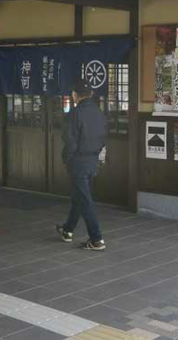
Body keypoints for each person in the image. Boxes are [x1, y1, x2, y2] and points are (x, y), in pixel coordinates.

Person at [56, 78, 107, 251]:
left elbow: (69, 142)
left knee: (85, 200)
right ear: (91, 94)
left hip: (78, 161)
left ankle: (96, 239)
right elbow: (103, 139)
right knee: (79, 196)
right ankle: (67, 229)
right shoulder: (99, 113)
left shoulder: (74, 114)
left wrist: (66, 159)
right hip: (93, 160)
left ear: (75, 95)